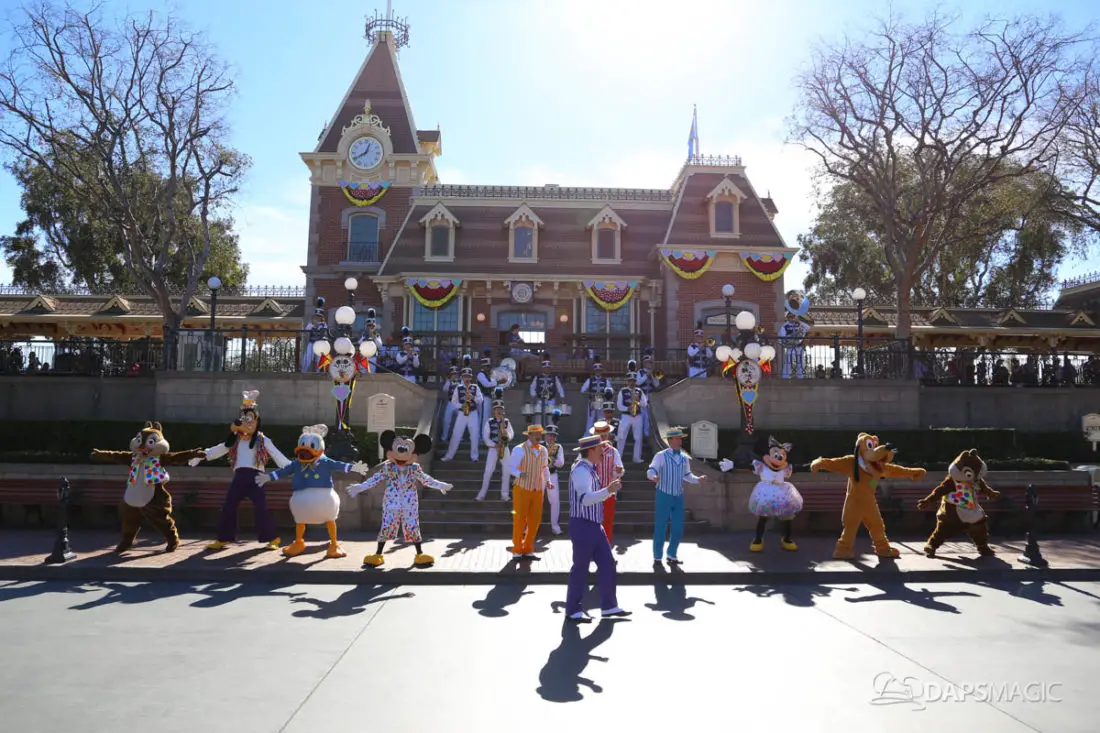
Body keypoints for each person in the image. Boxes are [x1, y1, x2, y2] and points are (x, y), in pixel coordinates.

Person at [192, 390, 293, 551]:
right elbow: (221, 448)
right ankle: (224, 538)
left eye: (250, 418)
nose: (245, 422)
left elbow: (277, 455)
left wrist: (292, 468)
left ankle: (273, 538)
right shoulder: (236, 439)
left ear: (256, 421)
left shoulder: (263, 440)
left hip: (256, 477)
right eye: (243, 418)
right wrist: (202, 455)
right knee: (229, 506)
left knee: (261, 508)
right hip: (239, 477)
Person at [564, 433, 631, 623]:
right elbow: (585, 499)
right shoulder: (580, 470)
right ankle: (572, 609)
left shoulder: (590, 469)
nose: (603, 451)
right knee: (580, 567)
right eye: (600, 448)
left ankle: (609, 606)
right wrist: (608, 490)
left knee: (608, 564)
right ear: (591, 450)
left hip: (594, 525)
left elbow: (594, 496)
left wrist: (609, 491)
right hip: (582, 525)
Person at [647, 427, 705, 564]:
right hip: (663, 494)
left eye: (680, 438)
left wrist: (698, 480)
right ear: (670, 440)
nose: (680, 441)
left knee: (678, 528)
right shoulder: (661, 456)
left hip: (678, 496)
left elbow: (687, 475)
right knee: (661, 526)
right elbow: (651, 469)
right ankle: (657, 556)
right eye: (677, 438)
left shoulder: (684, 458)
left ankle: (672, 554)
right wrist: (653, 476)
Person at [507, 423, 552, 559]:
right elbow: (510, 467)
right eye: (536, 434)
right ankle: (517, 549)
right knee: (519, 519)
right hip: (522, 489)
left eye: (540, 434)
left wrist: (548, 480)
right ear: (529, 435)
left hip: (537, 490)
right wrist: (519, 474)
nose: (539, 436)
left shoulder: (543, 450)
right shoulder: (519, 449)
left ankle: (528, 548)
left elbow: (544, 467)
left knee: (535, 520)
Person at [589, 420, 624, 543]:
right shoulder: (589, 450)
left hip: (609, 492)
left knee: (608, 521)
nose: (603, 437)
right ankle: (593, 546)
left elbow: (619, 469)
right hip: (593, 492)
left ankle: (606, 546)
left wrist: (618, 471)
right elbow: (579, 465)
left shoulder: (613, 451)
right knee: (592, 520)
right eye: (600, 434)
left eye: (605, 434)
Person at [442, 364, 484, 462]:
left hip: (473, 413)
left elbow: (480, 399)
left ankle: (474, 457)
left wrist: (472, 397)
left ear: (471, 377)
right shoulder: (458, 388)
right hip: (462, 413)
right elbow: (454, 402)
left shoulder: (475, 387)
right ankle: (449, 456)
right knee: (456, 434)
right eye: (465, 377)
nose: (467, 379)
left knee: (474, 435)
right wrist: (461, 406)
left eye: (468, 376)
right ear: (462, 377)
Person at [478, 400, 514, 502]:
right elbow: (485, 437)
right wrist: (493, 445)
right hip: (493, 448)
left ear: (503, 411)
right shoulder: (489, 422)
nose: (499, 411)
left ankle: (505, 495)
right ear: (493, 411)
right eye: (497, 409)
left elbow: (511, 434)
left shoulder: (506, 421)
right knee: (488, 471)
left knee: (506, 470)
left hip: (504, 447)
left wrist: (507, 435)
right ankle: (481, 494)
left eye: (500, 409)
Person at [615, 371, 648, 464]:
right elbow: (619, 405)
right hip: (626, 416)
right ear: (627, 381)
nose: (632, 382)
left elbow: (645, 403)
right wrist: (627, 408)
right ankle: (618, 458)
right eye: (630, 380)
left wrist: (638, 402)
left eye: (633, 381)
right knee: (621, 437)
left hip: (638, 416)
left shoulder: (639, 391)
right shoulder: (623, 391)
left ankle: (636, 458)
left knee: (638, 438)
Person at [529, 352, 565, 426]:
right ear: (542, 369)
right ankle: (538, 431)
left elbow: (559, 387)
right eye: (545, 368)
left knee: (551, 419)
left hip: (551, 400)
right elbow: (532, 387)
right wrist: (533, 395)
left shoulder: (554, 377)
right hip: (540, 400)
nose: (547, 369)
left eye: (548, 368)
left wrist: (562, 396)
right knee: (538, 419)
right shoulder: (538, 377)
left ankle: (550, 432)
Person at [544, 422, 566, 534]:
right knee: (534, 500)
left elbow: (561, 463)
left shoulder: (558, 447)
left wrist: (552, 459)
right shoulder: (539, 445)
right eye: (549, 435)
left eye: (553, 435)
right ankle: (528, 527)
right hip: (539, 475)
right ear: (545, 435)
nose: (551, 437)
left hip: (552, 474)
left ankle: (555, 526)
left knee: (555, 501)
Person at [579, 355, 611, 432]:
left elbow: (610, 391)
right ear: (594, 371)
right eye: (597, 371)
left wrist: (605, 394)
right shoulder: (590, 380)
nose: (598, 372)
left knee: (601, 420)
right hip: (592, 402)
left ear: (601, 371)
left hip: (602, 402)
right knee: (590, 420)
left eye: (599, 370)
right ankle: (587, 435)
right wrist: (590, 394)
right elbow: (582, 390)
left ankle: (601, 435)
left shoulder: (605, 381)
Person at [440, 360, 459, 441]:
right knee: (446, 420)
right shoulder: (448, 381)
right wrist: (449, 380)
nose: (454, 375)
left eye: (455, 373)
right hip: (450, 402)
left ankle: (459, 437)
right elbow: (444, 389)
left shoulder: (460, 381)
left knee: (460, 421)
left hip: (459, 404)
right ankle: (444, 437)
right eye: (453, 374)